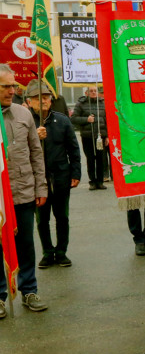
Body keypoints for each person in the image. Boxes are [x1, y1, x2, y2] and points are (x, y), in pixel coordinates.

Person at [0, 65, 48, 314]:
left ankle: (29, 290)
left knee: (26, 244)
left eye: (13, 85)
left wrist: (41, 186)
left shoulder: (24, 114)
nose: (12, 91)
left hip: (24, 192)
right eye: (6, 86)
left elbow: (35, 153)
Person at [25, 80, 81, 268]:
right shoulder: (26, 122)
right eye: (37, 98)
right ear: (29, 101)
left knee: (62, 216)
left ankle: (61, 251)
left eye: (46, 97)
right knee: (42, 219)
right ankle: (47, 252)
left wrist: (76, 173)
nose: (43, 101)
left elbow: (73, 149)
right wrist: (34, 135)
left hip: (61, 176)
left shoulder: (62, 120)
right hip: (37, 179)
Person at [71, 85, 108, 190]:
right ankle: (92, 181)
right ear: (86, 93)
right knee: (90, 159)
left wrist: (107, 136)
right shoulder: (80, 104)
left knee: (101, 159)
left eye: (95, 91)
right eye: (91, 91)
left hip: (100, 137)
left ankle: (100, 181)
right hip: (87, 137)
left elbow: (107, 120)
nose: (93, 93)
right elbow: (73, 119)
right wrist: (86, 119)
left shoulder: (102, 103)